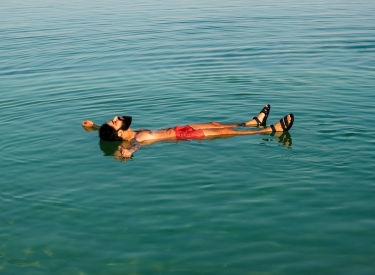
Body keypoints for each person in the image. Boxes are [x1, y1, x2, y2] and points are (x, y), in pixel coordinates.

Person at [82, 104, 294, 158]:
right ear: (120, 133)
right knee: (222, 133)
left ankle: (251, 122)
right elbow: (137, 146)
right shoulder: (135, 138)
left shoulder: (126, 132)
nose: (118, 118)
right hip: (183, 136)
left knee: (216, 124)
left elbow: (112, 132)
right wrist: (129, 153)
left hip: (179, 128)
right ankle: (268, 130)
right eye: (115, 121)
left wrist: (95, 126)